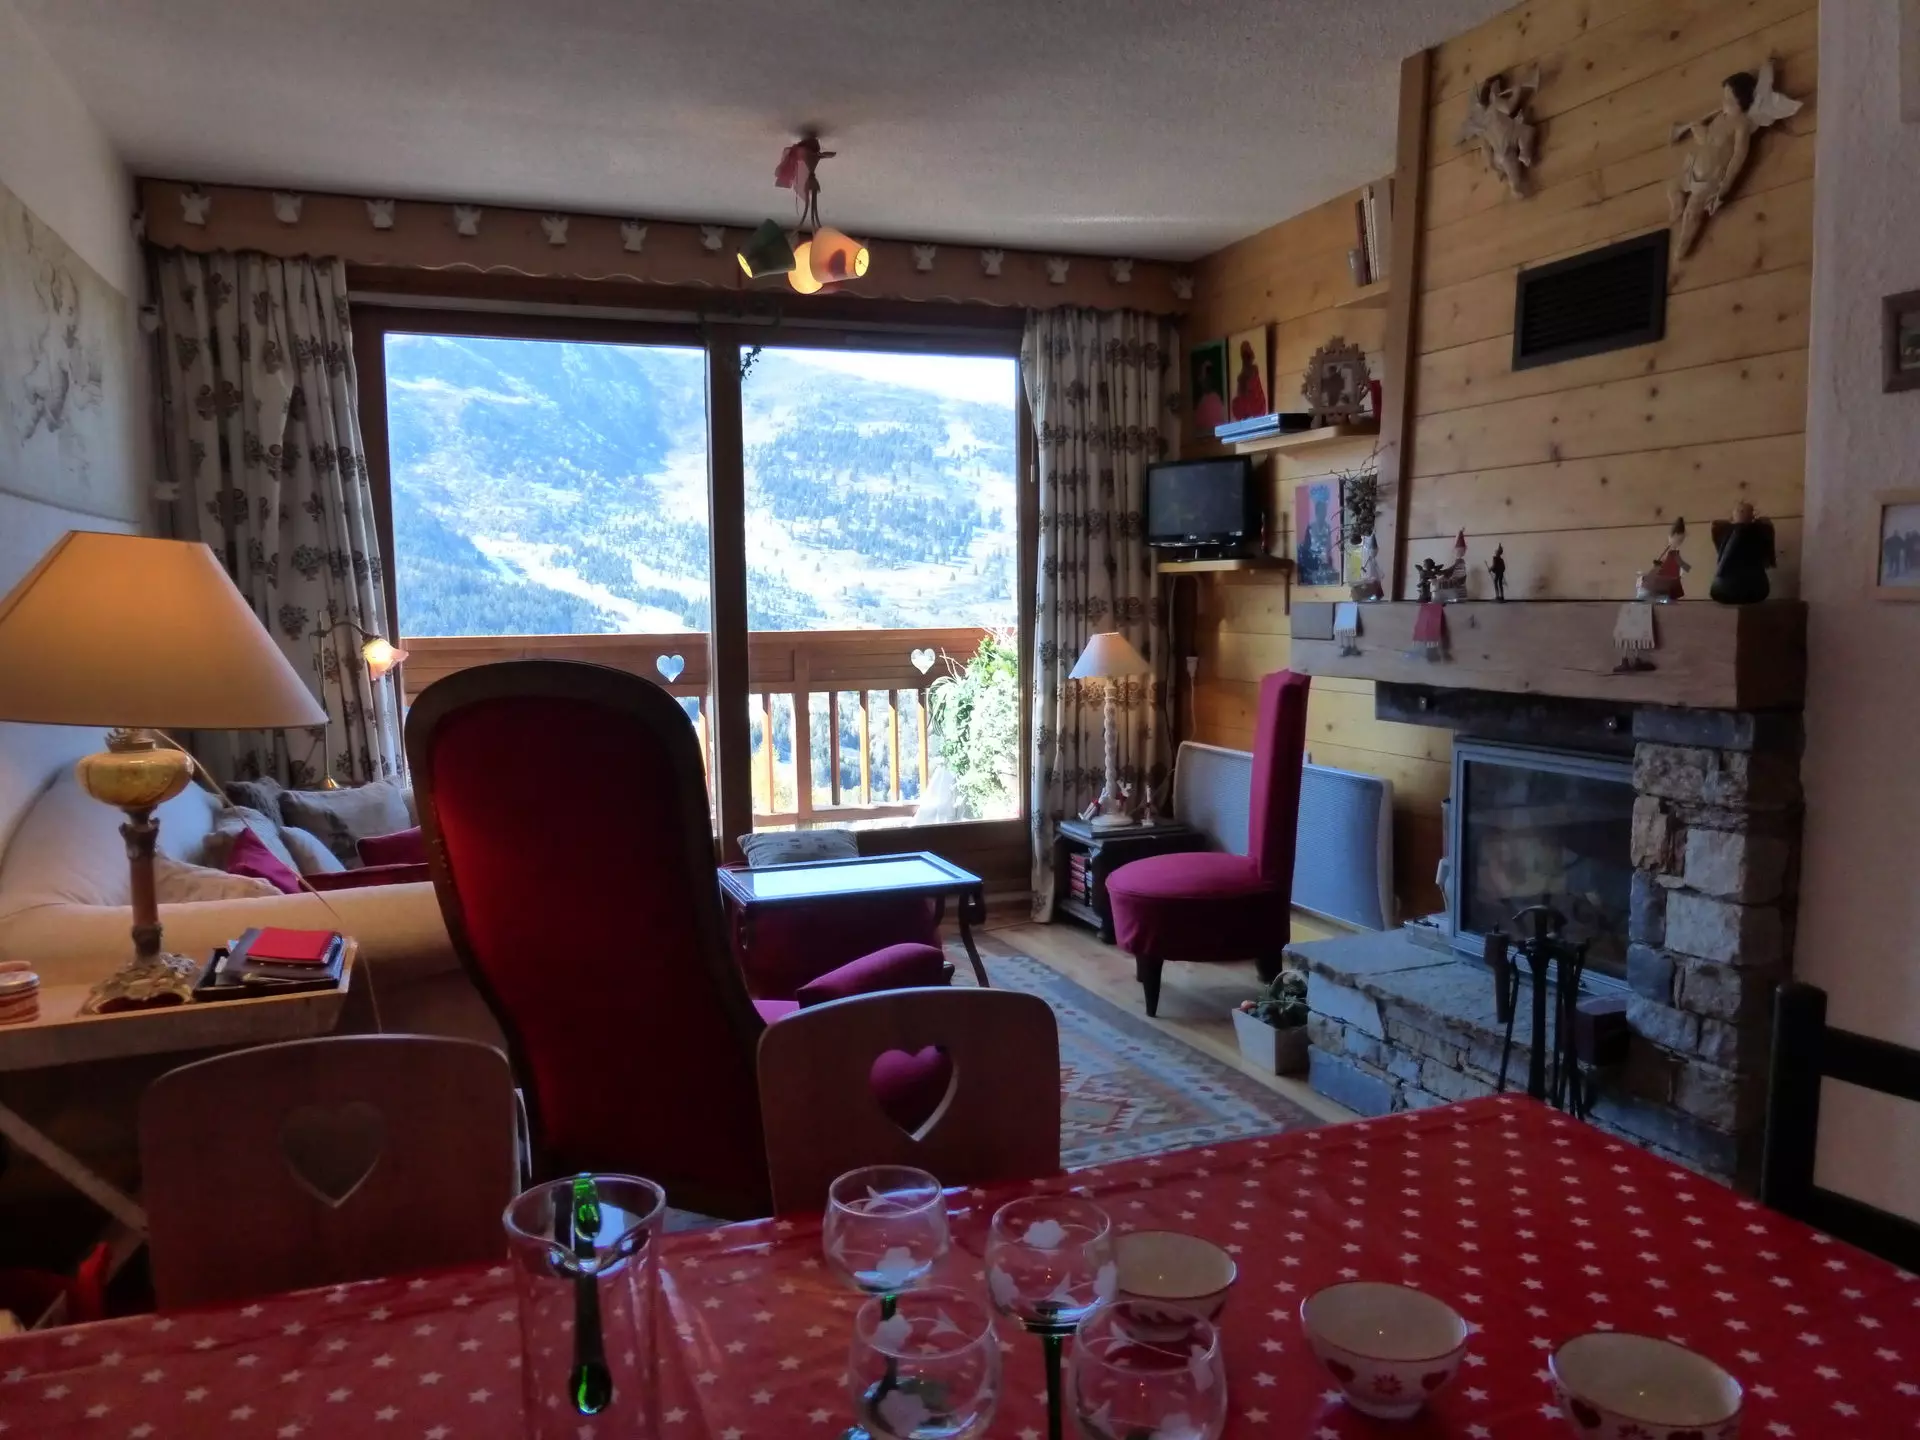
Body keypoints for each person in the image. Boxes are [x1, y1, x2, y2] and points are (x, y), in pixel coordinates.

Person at [1229, 339, 1269, 421]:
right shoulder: (1243, 376)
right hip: (1250, 409)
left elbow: (1257, 393)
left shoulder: (1251, 372)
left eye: (1247, 355)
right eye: (1244, 356)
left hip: (1253, 408)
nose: (1246, 359)